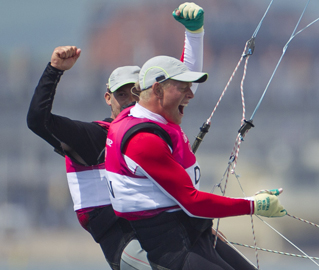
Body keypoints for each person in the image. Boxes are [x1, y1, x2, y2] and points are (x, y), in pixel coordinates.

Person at [26, 3, 206, 270]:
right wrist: (54, 70)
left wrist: (194, 34)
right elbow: (38, 121)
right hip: (126, 242)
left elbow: (185, 82)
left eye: (135, 93)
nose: (129, 101)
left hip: (171, 233)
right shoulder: (94, 137)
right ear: (107, 98)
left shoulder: (153, 129)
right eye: (122, 94)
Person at [105, 55, 287, 270]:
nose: (191, 95)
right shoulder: (143, 141)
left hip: (195, 236)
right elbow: (192, 202)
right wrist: (254, 205)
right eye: (184, 88)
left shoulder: (146, 116)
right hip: (175, 252)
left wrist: (195, 32)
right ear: (157, 90)